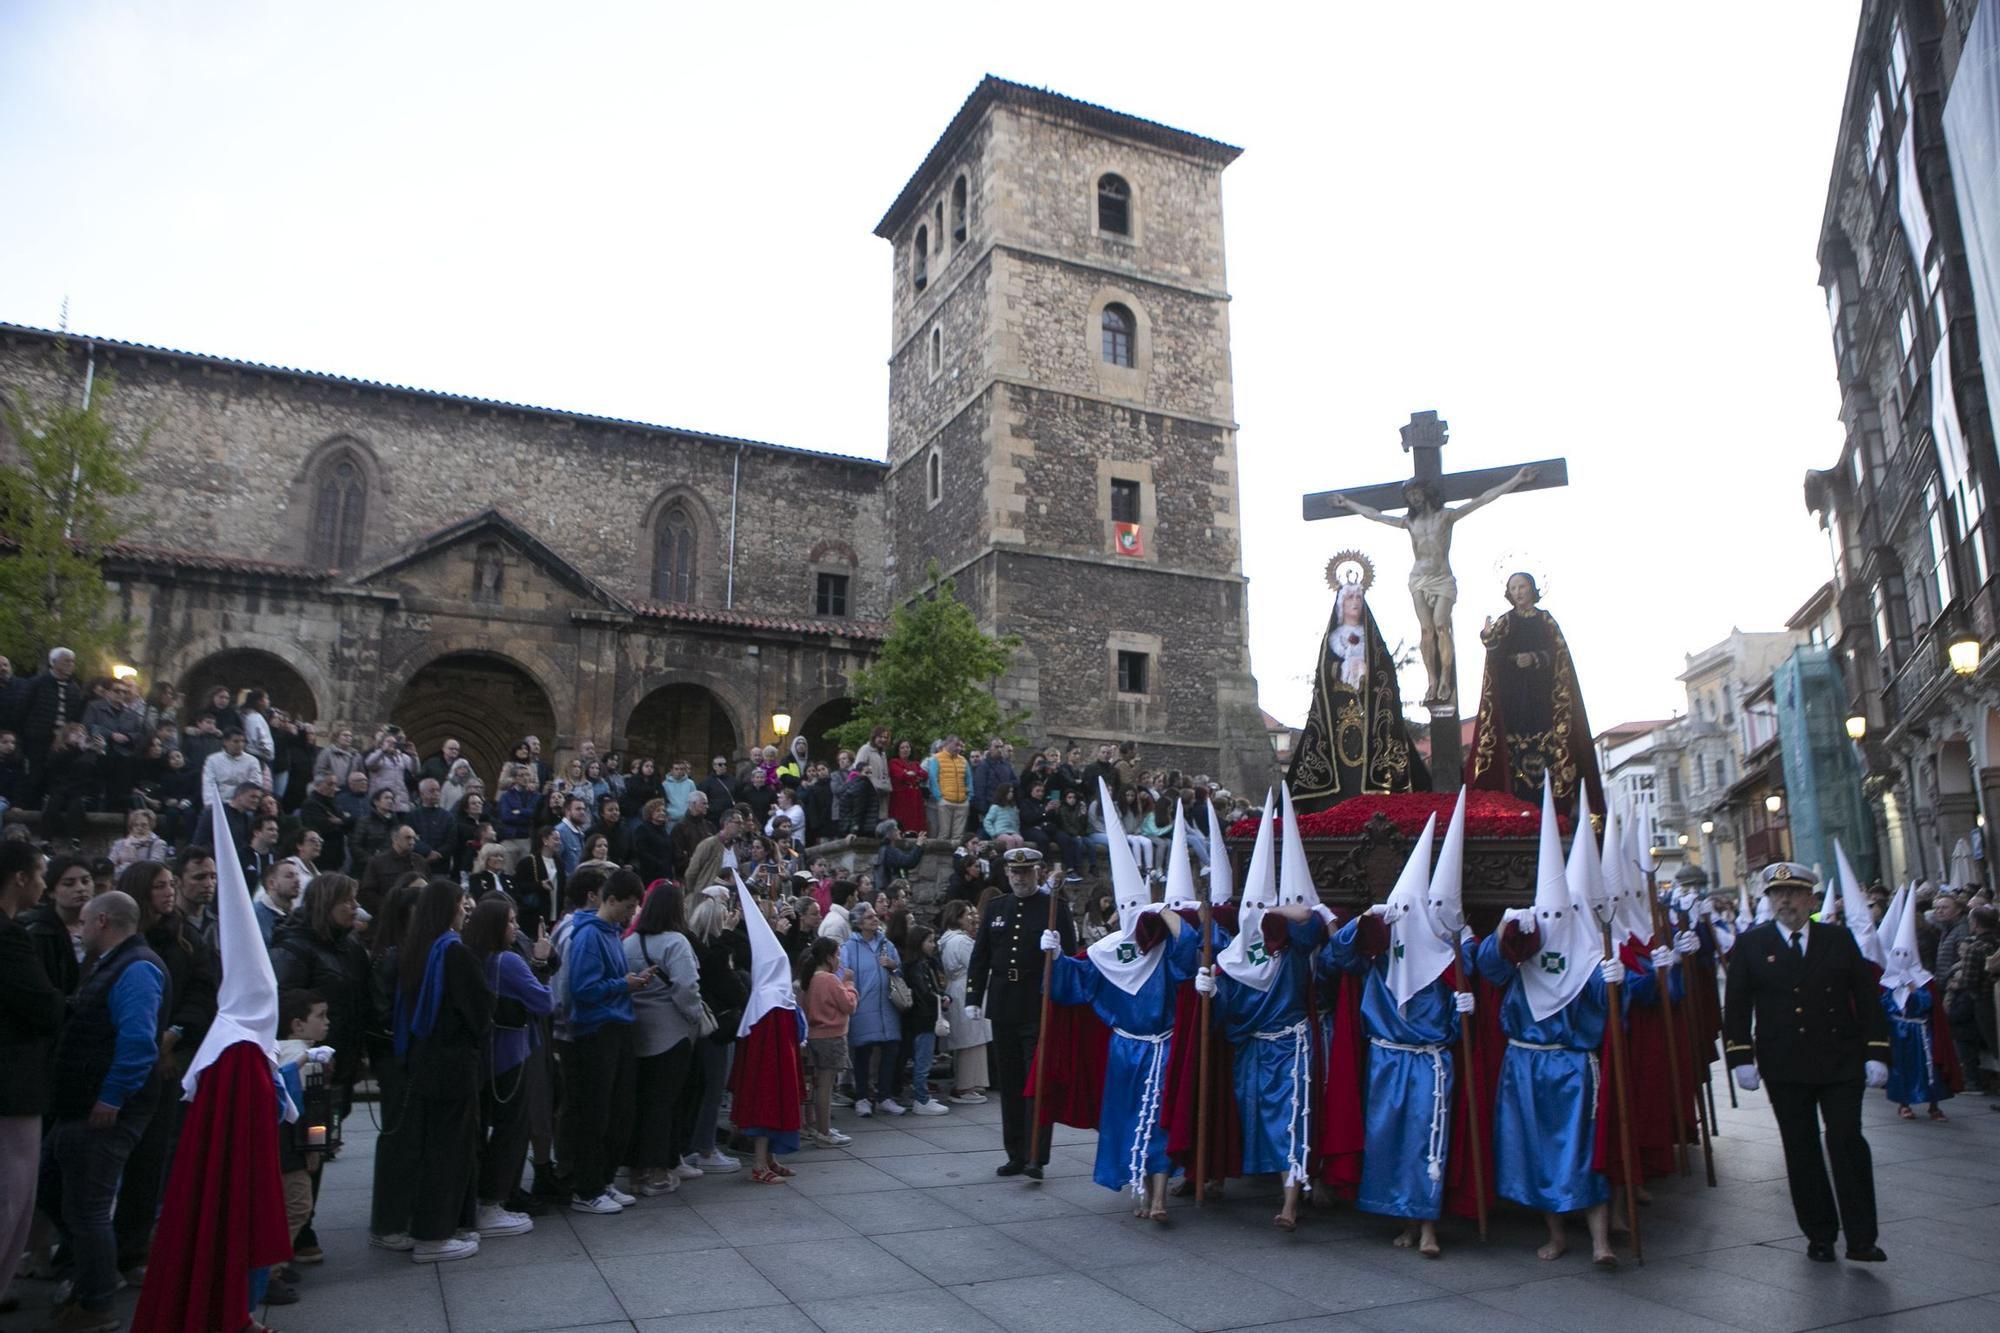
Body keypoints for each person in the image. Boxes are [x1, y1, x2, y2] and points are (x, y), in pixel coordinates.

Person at [1726, 862, 1892, 1262]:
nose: (1785, 901)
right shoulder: (1751, 944)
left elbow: (1867, 999)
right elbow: (1736, 1006)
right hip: (1784, 1063)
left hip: (1840, 1059)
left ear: (1811, 899)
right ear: (1768, 900)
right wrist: (1740, 1056)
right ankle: (1819, 1233)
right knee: (1800, 1148)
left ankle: (1861, 1237)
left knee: (1846, 1139)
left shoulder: (1837, 940)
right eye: (1777, 894)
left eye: (1794, 893)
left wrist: (1876, 1051)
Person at [1048, 829, 1197, 1219]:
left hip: (1161, 1045)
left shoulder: (1164, 947)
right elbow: (1072, 985)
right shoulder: (1107, 950)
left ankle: (1160, 1198)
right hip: (1125, 1050)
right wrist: (1057, 956)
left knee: (1158, 1118)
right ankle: (1144, 1193)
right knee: (1131, 1120)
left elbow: (1192, 948)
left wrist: (1166, 912)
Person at [1202, 789, 1330, 1231]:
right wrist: (1210, 992)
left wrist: (1273, 911)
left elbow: (1311, 921)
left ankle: (1290, 1202)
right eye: (1250, 908)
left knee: (1289, 1119)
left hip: (1289, 1044)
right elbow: (1222, 1021)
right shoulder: (1233, 957)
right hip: (1251, 1051)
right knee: (1256, 1120)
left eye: (1264, 906)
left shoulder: (1288, 946)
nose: (1256, 916)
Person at [42, 891, 168, 1333]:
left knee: (88, 1208)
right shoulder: (116, 965)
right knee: (54, 1183)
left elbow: (137, 1042)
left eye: (83, 921)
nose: (78, 929)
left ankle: (95, 1303)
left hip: (104, 1106)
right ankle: (91, 1277)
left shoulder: (134, 968)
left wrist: (112, 1096)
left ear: (101, 921)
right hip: (85, 1102)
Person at [393, 879, 494, 1262]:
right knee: (450, 1149)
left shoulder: (417, 949)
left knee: (437, 1145)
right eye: (460, 903)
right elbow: (478, 1011)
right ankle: (434, 1234)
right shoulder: (454, 953)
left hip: (425, 1059)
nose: (465, 909)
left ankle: (444, 1224)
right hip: (453, 1063)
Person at [966, 847, 1077, 1176]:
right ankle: (1015, 1152)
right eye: (1014, 873)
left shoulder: (1054, 909)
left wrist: (1056, 953)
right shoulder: (996, 907)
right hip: (1003, 1002)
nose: (1019, 878)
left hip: (1036, 1002)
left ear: (1038, 873)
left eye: (1025, 872)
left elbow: (1071, 958)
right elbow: (981, 955)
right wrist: (974, 996)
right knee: (1010, 1082)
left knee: (1036, 1082)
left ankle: (1035, 1155)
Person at [1464, 572, 1604, 813]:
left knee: (1549, 751)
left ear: (1532, 589)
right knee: (1513, 752)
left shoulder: (1546, 621)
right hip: (1513, 700)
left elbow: (1560, 657)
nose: (1518, 592)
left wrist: (1535, 659)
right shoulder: (1505, 622)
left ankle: (1554, 807)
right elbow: (1495, 655)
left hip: (1545, 700)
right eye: (1513, 588)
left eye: (1522, 586)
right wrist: (1488, 638)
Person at [1287, 581, 1430, 811]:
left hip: (1370, 722)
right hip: (1337, 721)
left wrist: (1367, 671)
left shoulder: (1372, 642)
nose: (1354, 602)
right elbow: (1322, 676)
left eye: (1358, 598)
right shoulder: (1332, 640)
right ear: (1341, 605)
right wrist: (1338, 670)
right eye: (1350, 598)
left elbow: (1387, 677)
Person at [461, 894, 552, 1236]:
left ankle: (487, 1199)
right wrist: (540, 964)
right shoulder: (508, 961)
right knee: (512, 1129)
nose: (516, 927)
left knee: (493, 1128)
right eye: (511, 922)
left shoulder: (473, 955)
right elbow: (544, 1001)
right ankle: (492, 1202)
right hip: (512, 1053)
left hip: (487, 1054)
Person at [561, 868, 649, 1215]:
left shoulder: (610, 932)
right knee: (595, 1113)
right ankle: (587, 1188)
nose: (630, 915)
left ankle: (603, 1180)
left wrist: (629, 982)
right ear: (609, 900)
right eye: (627, 907)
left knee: (619, 1110)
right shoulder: (588, 936)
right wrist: (623, 985)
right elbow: (582, 989)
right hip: (596, 1031)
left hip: (617, 1026)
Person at [0, 843, 64, 1313]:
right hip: (11, 1085)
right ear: (19, 878)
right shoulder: (10, 936)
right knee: (11, 1200)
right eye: (41, 874)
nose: (44, 883)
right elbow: (42, 1005)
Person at [623, 883, 706, 1195]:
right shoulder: (676, 942)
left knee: (640, 1102)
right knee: (665, 1103)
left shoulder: (629, 942)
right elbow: (687, 988)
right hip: (671, 1033)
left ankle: (636, 1171)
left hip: (637, 1031)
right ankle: (659, 1171)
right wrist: (695, 1017)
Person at [1876, 884, 1959, 1120]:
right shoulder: (1888, 981)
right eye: (1898, 954)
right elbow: (1886, 1005)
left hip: (1922, 1032)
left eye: (1906, 954)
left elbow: (1928, 1005)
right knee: (1901, 1068)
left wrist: (1914, 991)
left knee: (1929, 1068)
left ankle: (1934, 1104)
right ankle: (1904, 1103)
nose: (1902, 959)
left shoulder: (1924, 979)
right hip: (1899, 1032)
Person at [686, 893, 747, 1175]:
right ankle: (705, 1147)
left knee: (707, 1088)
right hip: (715, 1028)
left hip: (707, 1027)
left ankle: (699, 1145)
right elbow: (726, 982)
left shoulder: (701, 948)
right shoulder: (711, 952)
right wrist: (727, 936)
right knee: (713, 1087)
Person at [841, 900, 904, 1116]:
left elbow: (899, 971)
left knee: (891, 1049)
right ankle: (862, 1097)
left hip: (887, 1006)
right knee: (863, 1053)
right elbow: (844, 976)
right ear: (858, 922)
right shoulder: (848, 948)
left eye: (875, 916)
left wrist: (893, 965)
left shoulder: (887, 944)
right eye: (869, 917)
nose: (875, 919)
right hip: (863, 1007)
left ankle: (884, 1096)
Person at [799, 937, 857, 1148]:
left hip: (815, 1035)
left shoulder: (811, 978)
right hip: (830, 1036)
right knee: (825, 1086)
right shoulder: (829, 980)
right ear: (829, 957)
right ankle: (824, 1131)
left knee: (819, 1085)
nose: (839, 960)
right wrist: (849, 983)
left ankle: (819, 1127)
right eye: (837, 955)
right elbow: (848, 1005)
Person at [938, 900, 991, 1104]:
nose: (971, 917)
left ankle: (973, 1082)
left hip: (959, 987)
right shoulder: (961, 942)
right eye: (967, 914)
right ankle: (964, 1085)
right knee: (969, 1039)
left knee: (972, 1038)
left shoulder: (950, 939)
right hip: (965, 989)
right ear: (957, 917)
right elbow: (976, 965)